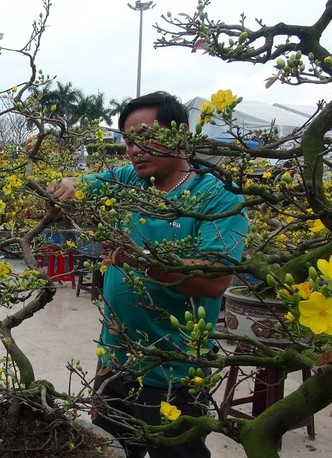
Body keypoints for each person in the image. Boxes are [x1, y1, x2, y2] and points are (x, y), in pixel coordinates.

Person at [49, 91, 248, 458]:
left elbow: (216, 278)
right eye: (128, 140)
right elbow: (83, 183)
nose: (135, 149)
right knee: (107, 449)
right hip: (115, 361)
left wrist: (140, 260)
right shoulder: (130, 180)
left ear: (181, 136)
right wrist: (71, 183)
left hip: (173, 371)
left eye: (146, 137)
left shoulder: (218, 198)